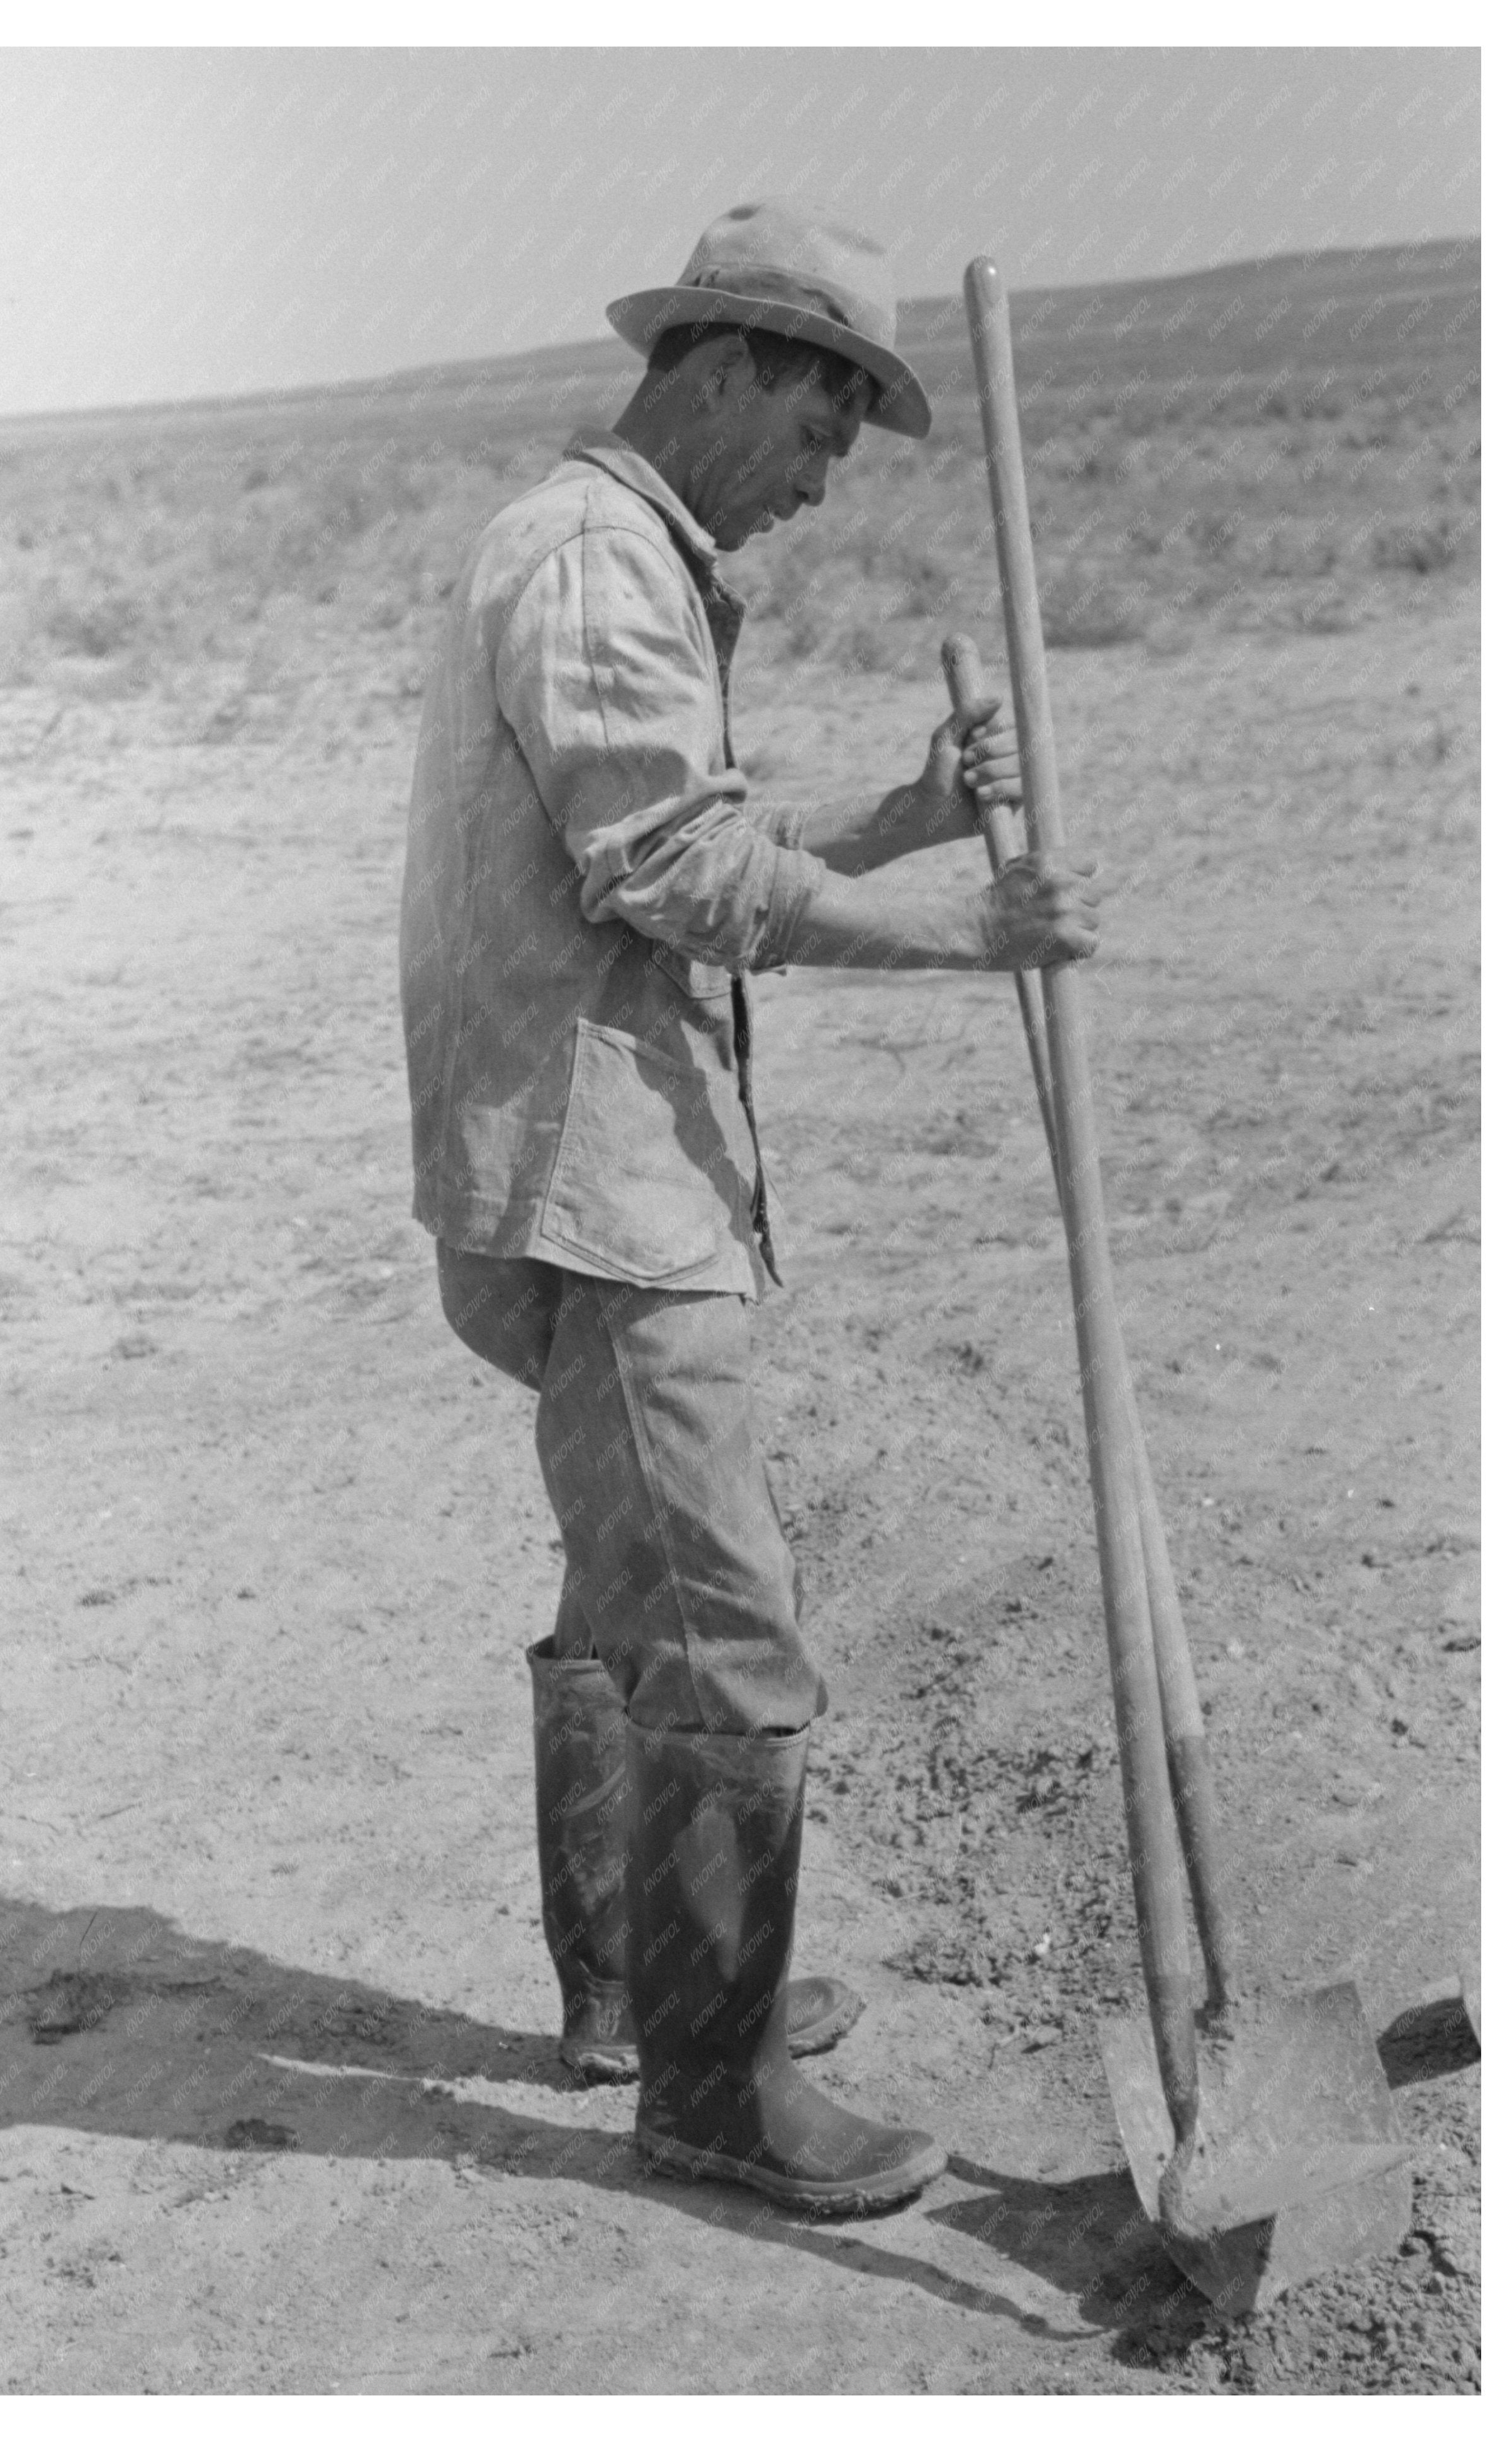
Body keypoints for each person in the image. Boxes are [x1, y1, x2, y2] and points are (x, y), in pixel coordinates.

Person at [400, 199, 1100, 2216]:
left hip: (574, 1163)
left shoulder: (599, 546)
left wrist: (900, 819)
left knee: (630, 1588)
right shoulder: (594, 559)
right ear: (720, 373)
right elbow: (675, 871)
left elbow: (678, 826)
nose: (818, 483)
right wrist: (965, 932)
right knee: (723, 1633)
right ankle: (713, 2091)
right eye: (813, 430)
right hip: (601, 1187)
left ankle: (650, 1992)